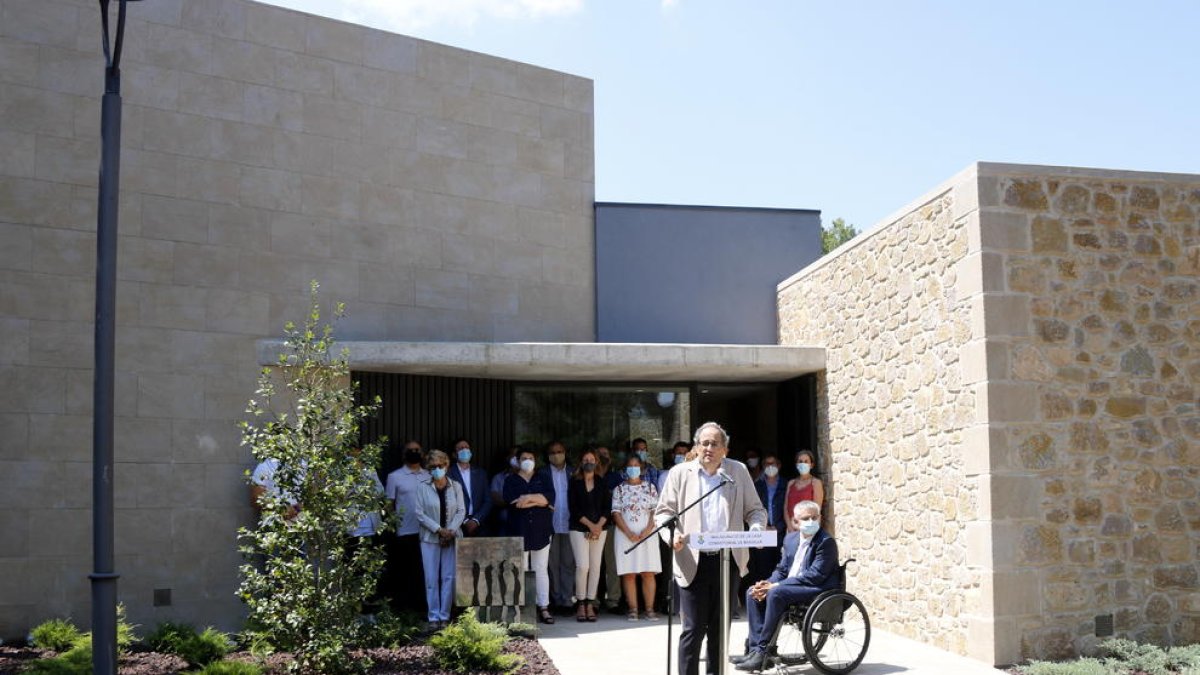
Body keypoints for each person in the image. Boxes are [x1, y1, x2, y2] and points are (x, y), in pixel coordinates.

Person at [655, 421, 767, 675]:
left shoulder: (737, 471)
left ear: (724, 449)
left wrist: (756, 528)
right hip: (692, 559)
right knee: (693, 629)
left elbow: (755, 510)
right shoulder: (680, 473)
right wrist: (671, 534)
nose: (708, 448)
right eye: (704, 443)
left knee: (720, 629)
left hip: (727, 561)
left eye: (714, 444)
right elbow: (663, 512)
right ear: (696, 447)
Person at [732, 500, 839, 672]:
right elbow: (782, 570)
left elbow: (815, 576)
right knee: (752, 592)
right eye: (806, 518)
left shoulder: (826, 542)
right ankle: (754, 650)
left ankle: (763, 651)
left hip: (817, 588)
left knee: (776, 593)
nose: (811, 521)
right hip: (792, 585)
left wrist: (775, 586)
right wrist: (767, 583)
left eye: (814, 517)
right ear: (795, 521)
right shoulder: (790, 539)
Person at [504, 448, 556, 624]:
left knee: (541, 569)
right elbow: (514, 503)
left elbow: (549, 500)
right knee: (522, 568)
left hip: (542, 529)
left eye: (531, 457)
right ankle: (524, 608)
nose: (528, 460)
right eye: (524, 458)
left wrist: (527, 498)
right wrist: (538, 500)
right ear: (517, 461)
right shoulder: (510, 480)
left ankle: (544, 607)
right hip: (519, 529)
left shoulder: (544, 478)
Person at [414, 450, 466, 630]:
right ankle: (433, 616)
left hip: (451, 537)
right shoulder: (422, 487)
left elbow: (461, 511)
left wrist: (450, 531)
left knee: (448, 577)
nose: (437, 469)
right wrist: (439, 530)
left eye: (440, 465)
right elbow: (419, 513)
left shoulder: (456, 486)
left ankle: (445, 616)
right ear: (428, 469)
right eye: (433, 466)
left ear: (446, 465)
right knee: (431, 578)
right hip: (430, 538)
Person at [612, 454, 662, 621]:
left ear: (641, 468)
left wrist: (647, 530)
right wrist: (628, 533)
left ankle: (649, 609)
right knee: (629, 573)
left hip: (648, 535)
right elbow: (616, 512)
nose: (633, 468)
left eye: (636, 465)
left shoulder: (650, 487)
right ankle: (633, 609)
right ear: (625, 469)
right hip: (625, 536)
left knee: (648, 572)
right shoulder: (619, 489)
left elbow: (655, 510)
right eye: (630, 465)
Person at [384, 440, 428, 614]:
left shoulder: (428, 475)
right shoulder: (394, 476)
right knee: (405, 570)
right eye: (411, 450)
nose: (414, 452)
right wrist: (394, 524)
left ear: (422, 454)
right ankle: (404, 610)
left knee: (424, 571)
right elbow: (389, 504)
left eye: (417, 449)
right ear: (404, 454)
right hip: (405, 531)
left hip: (427, 531)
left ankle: (422, 608)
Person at [567, 448, 611, 622]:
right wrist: (591, 526)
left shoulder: (602, 482)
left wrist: (597, 526)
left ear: (596, 462)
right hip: (578, 528)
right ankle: (580, 602)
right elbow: (574, 508)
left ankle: (590, 603)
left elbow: (607, 507)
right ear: (581, 462)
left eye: (591, 459)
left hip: (600, 529)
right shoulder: (574, 482)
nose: (588, 462)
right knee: (582, 566)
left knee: (595, 567)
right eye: (585, 459)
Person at [541, 440, 576, 613]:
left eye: (559, 451)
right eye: (553, 452)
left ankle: (567, 600)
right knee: (552, 565)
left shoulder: (573, 472)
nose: (557, 455)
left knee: (569, 564)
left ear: (565, 453)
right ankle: (555, 600)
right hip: (550, 524)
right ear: (548, 456)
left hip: (570, 523)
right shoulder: (542, 473)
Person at [749, 453, 787, 584]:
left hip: (781, 532)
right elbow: (752, 507)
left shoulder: (786, 484)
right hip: (763, 533)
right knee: (763, 568)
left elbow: (789, 508)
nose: (770, 466)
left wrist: (779, 526)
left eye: (773, 463)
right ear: (763, 466)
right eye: (767, 464)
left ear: (779, 465)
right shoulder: (757, 485)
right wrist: (763, 526)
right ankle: (762, 593)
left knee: (781, 567)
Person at [595, 445, 624, 612]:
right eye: (600, 454)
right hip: (593, 526)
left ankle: (613, 600)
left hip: (612, 525)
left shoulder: (616, 477)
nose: (603, 457)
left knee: (613, 565)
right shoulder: (590, 476)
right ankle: (593, 600)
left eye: (606, 454)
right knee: (594, 566)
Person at [449, 437, 491, 537]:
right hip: (456, 525)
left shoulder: (481, 473)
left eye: (467, 447)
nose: (465, 450)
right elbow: (449, 501)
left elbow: (488, 500)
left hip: (479, 523)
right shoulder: (448, 473)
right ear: (454, 454)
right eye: (461, 448)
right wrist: (465, 520)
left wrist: (476, 520)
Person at [785, 450, 825, 532]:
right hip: (791, 529)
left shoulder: (815, 483)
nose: (803, 464)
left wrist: (807, 529)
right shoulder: (791, 483)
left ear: (811, 465)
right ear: (796, 465)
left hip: (808, 529)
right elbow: (785, 508)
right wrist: (790, 527)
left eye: (806, 461)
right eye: (800, 461)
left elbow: (816, 510)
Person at [489, 445, 521, 535]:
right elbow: (495, 498)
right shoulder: (498, 477)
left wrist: (507, 498)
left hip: (526, 525)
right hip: (505, 524)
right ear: (508, 458)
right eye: (513, 455)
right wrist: (521, 499)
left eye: (518, 455)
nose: (516, 457)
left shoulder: (532, 477)